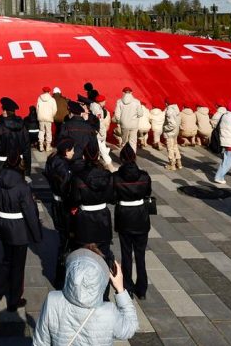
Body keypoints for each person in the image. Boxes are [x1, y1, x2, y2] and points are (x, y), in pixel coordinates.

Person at [32, 245, 139, 346]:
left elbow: (40, 342)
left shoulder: (52, 301)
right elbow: (130, 328)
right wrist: (120, 289)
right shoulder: (109, 312)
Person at [0, 153, 42, 312]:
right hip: (20, 231)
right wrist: (37, 235)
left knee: (5, 262)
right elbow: (30, 213)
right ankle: (14, 301)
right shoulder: (23, 186)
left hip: (3, 227)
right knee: (18, 267)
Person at [112, 145, 151, 300]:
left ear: (121, 159)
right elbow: (147, 193)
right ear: (134, 158)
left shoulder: (116, 177)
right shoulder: (144, 176)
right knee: (140, 256)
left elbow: (113, 197)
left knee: (126, 254)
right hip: (141, 217)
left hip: (124, 218)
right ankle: (141, 290)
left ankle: (127, 286)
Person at [45, 137, 75, 287]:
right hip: (63, 206)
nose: (74, 152)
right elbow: (67, 188)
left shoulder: (52, 160)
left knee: (63, 238)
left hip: (56, 202)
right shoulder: (63, 168)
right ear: (65, 151)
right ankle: (61, 276)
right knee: (66, 242)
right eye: (72, 150)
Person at [0, 97, 29, 178]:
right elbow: (27, 147)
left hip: (3, 163)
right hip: (19, 161)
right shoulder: (22, 126)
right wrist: (27, 169)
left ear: (5, 112)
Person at [113, 88, 146, 153]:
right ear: (131, 92)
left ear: (123, 93)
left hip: (124, 124)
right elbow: (140, 114)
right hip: (134, 125)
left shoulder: (119, 102)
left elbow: (117, 115)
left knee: (124, 141)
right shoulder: (136, 101)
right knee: (133, 142)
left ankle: (124, 157)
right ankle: (132, 157)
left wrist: (120, 121)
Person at [162, 100, 182, 170]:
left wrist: (165, 128)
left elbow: (172, 124)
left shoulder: (169, 111)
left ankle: (172, 164)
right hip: (175, 132)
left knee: (170, 148)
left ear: (167, 103)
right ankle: (179, 162)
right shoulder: (177, 109)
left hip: (170, 132)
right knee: (175, 146)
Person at [36, 86, 57, 152]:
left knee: (41, 131)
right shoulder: (52, 99)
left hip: (41, 118)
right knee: (48, 132)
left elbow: (37, 108)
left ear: (43, 91)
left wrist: (39, 115)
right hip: (48, 118)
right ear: (49, 91)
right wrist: (51, 116)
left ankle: (41, 146)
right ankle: (48, 146)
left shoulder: (39, 98)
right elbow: (55, 110)